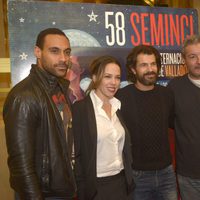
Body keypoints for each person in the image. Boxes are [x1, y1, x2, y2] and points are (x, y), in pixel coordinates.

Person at [3, 28, 76, 200]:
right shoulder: (24, 96)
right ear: (38, 52)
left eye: (67, 52)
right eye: (54, 51)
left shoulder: (60, 88)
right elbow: (21, 165)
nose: (63, 59)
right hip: (42, 194)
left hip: (62, 189)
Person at [116, 45, 177, 200]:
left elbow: (174, 125)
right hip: (137, 176)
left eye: (153, 64)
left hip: (167, 174)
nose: (150, 69)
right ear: (133, 69)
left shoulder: (167, 94)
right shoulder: (122, 97)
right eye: (144, 65)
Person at [72, 55, 135, 200]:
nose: (114, 82)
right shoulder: (80, 110)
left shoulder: (118, 106)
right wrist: (83, 191)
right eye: (108, 76)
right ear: (94, 78)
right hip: (95, 187)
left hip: (122, 183)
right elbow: (76, 154)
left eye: (117, 77)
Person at [167, 35, 200, 200]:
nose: (198, 61)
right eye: (192, 56)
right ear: (184, 60)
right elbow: (170, 122)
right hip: (188, 174)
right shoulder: (174, 87)